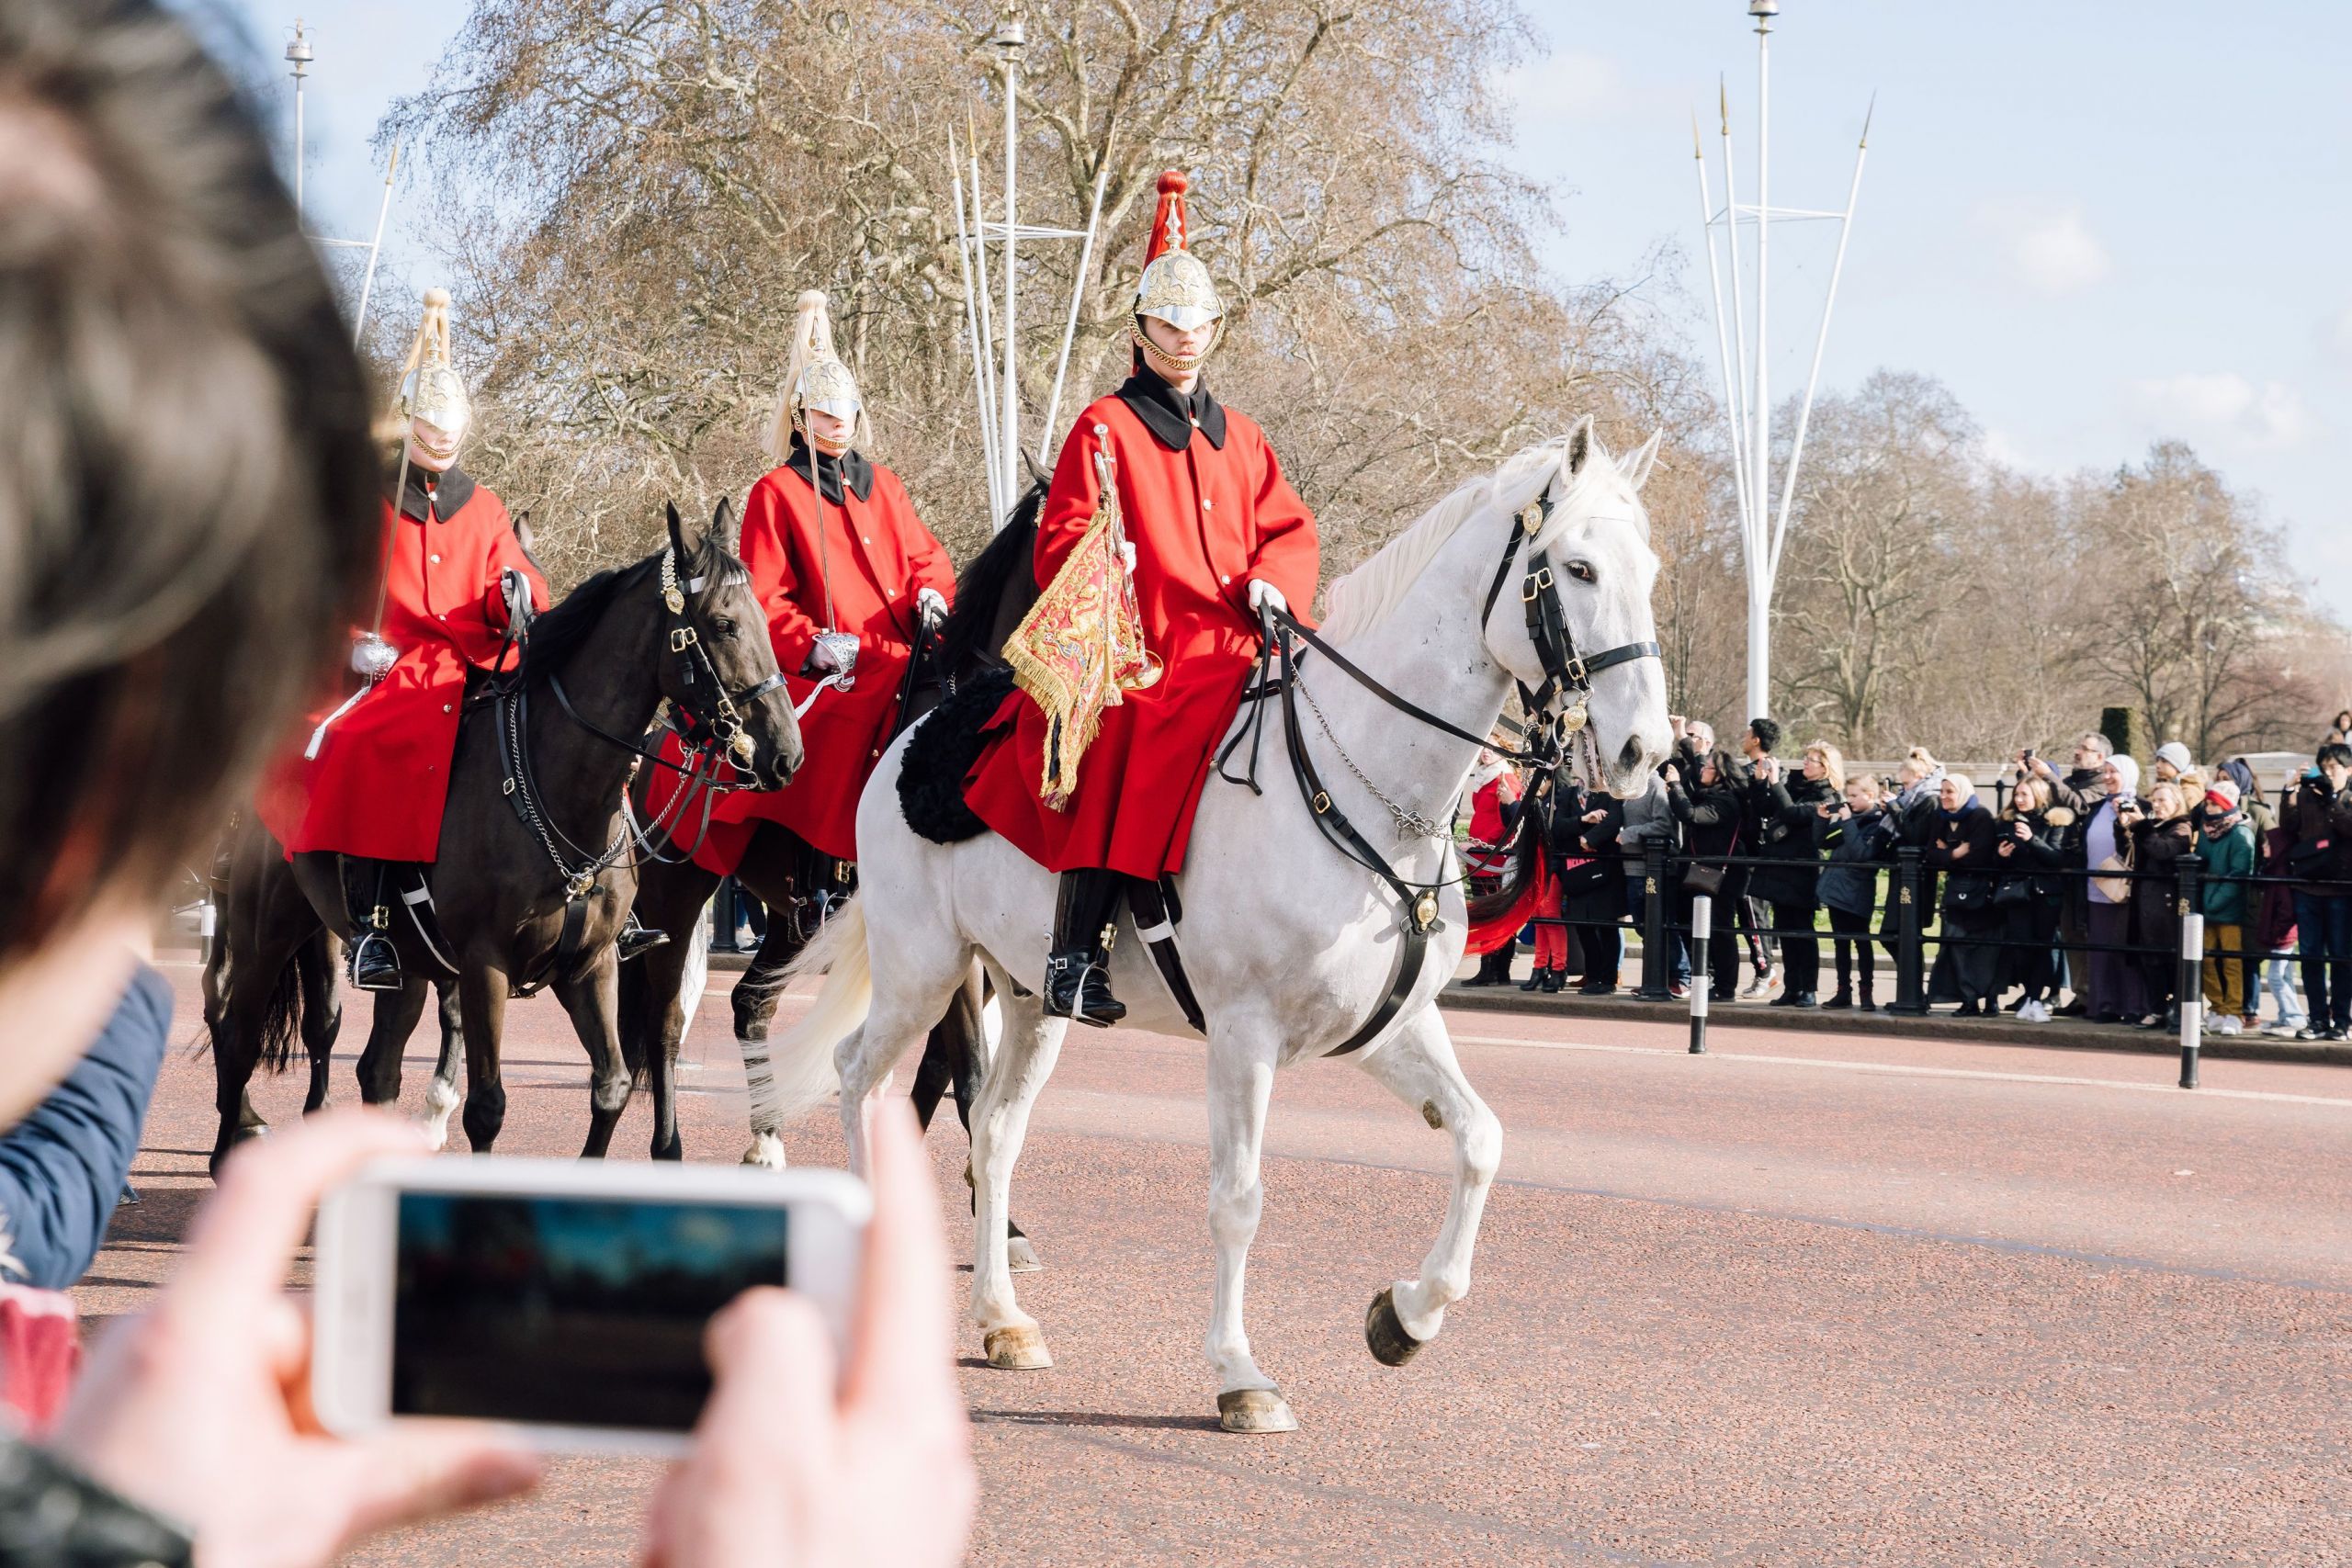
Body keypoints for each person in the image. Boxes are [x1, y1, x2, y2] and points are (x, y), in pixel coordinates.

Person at [0, 6, 977, 1561]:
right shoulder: (405, 506)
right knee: (392, 745)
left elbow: (518, 576)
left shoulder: (534, 498)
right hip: (401, 684)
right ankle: (386, 913)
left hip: (570, 670)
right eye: (437, 439)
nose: (449, 458)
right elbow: (379, 597)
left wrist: (536, 610)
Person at [962, 171, 1317, 1026]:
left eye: (1197, 325)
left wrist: (1276, 576)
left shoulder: (1246, 435)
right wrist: (1101, 559)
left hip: (1239, 644)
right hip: (1147, 648)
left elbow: (1290, 527)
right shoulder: (1104, 426)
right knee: (1122, 728)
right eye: (1168, 323)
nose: (1185, 339)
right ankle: (1072, 955)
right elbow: (1060, 541)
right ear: (1141, 331)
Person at [254, 288, 551, 991]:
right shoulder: (370, 498)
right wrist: (353, 639)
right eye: (431, 428)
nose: (442, 444)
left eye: (451, 432)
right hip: (391, 670)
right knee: (369, 743)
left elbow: (513, 571)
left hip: (474, 660)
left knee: (563, 729)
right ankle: (372, 923)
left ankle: (594, 893)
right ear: (411, 424)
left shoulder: (482, 504)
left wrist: (518, 596)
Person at [665, 290, 954, 879]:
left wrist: (932, 593)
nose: (839, 424)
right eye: (825, 415)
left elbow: (927, 557)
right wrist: (813, 644)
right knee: (836, 727)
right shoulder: (778, 492)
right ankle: (827, 871)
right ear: (801, 419)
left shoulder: (886, 484)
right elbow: (764, 598)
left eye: (845, 412)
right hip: (837, 662)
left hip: (910, 648)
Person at [2028, 732, 2115, 1014]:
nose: (2078, 752)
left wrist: (2048, 777)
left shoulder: (2102, 785)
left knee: (2089, 934)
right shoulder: (2069, 782)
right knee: (2071, 934)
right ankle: (2081, 995)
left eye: (2085, 749)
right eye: (2078, 747)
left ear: (2100, 757)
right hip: (2067, 869)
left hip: (2091, 873)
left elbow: (2078, 804)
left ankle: (2097, 996)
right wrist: (2030, 775)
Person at [1747, 739, 1837, 1008]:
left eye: (1812, 760)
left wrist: (1775, 784)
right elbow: (1765, 808)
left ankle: (1808, 988)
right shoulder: (1795, 787)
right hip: (1779, 867)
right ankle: (1792, 987)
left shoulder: (1829, 796)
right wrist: (1761, 782)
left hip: (1802, 869)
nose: (1805, 763)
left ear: (1826, 768)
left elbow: (1792, 813)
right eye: (1805, 758)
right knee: (1784, 930)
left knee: (1803, 931)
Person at [2279, 742, 2352, 1041]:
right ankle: (2317, 1019)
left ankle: (2342, 1022)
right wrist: (2289, 793)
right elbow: (2288, 827)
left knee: (2341, 956)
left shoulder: (2346, 798)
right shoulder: (2308, 794)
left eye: (2334, 767)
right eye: (2323, 766)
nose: (2327, 771)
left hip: (2341, 889)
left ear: (2348, 770)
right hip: (2307, 885)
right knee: (2309, 956)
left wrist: (2333, 801)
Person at [1664, 750, 1747, 1001]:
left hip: (1722, 875)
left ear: (1721, 774)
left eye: (1708, 768)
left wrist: (1676, 786)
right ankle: (1705, 978)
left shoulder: (1726, 801)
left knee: (1721, 930)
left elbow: (1691, 815)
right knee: (1695, 927)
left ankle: (1725, 986)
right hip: (1702, 871)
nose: (1703, 771)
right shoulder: (1708, 795)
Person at [1991, 774, 2071, 1023]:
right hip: (2017, 892)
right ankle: (2029, 996)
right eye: (2016, 794)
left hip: (2045, 893)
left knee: (2041, 947)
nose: (2019, 799)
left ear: (2038, 794)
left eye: (2024, 794)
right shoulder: (2006, 822)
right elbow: (1996, 864)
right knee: (2021, 948)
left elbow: (2056, 859)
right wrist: (2001, 855)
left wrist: (2031, 840)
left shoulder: (2055, 821)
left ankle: (2035, 999)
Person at [1814, 773, 1893, 1010]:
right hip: (1837, 891)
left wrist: (1847, 822)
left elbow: (1862, 855)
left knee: (1862, 941)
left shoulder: (1878, 822)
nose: (1850, 800)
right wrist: (1822, 820)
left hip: (1858, 891)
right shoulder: (1851, 819)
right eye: (1848, 795)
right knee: (1840, 942)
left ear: (1870, 795)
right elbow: (1822, 842)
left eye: (1855, 795)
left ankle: (1866, 993)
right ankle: (1843, 991)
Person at [2122, 780, 2196, 1030]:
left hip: (2166, 902)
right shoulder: (2153, 826)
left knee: (2169, 957)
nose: (2157, 805)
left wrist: (2141, 826)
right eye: (2154, 800)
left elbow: (2164, 851)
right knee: (2149, 957)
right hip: (2145, 900)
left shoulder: (2182, 827)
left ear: (2176, 802)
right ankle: (2157, 1008)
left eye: (2163, 800)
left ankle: (2176, 1008)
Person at [1925, 775, 2001, 1015]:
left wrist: (1946, 852)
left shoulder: (1981, 816)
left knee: (1985, 949)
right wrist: (1955, 854)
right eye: (1942, 791)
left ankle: (1990, 999)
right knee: (1956, 946)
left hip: (1980, 894)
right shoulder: (1940, 816)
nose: (1944, 796)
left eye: (1950, 791)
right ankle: (1969, 999)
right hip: (1956, 891)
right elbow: (1930, 854)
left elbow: (1979, 856)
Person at [2079, 754, 2145, 1023]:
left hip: (2126, 891)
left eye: (2113, 772)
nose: (2107, 777)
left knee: (2126, 950)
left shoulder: (2141, 806)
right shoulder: (2096, 808)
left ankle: (2132, 1005)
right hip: (2096, 889)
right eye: (2104, 771)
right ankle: (2103, 1004)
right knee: (2101, 950)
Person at [1614, 770, 1690, 998]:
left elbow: (1664, 825)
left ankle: (1681, 977)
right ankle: (1655, 976)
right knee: (1645, 927)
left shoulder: (1654, 785)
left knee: (1660, 924)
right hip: (1632, 867)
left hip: (1651, 869)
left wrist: (1629, 834)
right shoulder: (1630, 784)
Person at [1459, 742, 1523, 987]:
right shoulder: (1485, 778)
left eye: (1493, 749)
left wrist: (1480, 843)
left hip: (1492, 857)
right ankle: (1494, 970)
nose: (1486, 752)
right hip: (1480, 856)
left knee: (1493, 914)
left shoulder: (1505, 778)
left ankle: (1493, 970)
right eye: (1484, 747)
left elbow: (1506, 822)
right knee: (1488, 913)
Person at [2196, 780, 2256, 1036]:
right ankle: (2217, 1007)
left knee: (2232, 961)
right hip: (2207, 905)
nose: (2208, 808)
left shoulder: (2241, 834)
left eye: (2214, 803)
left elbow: (2239, 874)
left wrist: (2211, 902)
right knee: (2206, 960)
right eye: (2207, 803)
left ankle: (2233, 1011)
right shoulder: (2207, 830)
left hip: (2229, 909)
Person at [1734, 718, 1785, 999]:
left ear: (1756, 740)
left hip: (1756, 855)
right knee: (1747, 916)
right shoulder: (1746, 771)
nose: (1743, 737)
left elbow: (1764, 809)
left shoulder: (1770, 770)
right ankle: (1763, 969)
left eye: (1747, 734)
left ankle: (1766, 970)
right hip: (1744, 853)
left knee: (1754, 915)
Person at [1562, 785, 1625, 995]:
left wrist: (1589, 839)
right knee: (1583, 927)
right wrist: (1583, 821)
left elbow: (1613, 822)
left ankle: (1608, 979)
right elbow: (1557, 826)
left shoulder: (1611, 793)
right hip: (1576, 868)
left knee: (1607, 926)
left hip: (1604, 868)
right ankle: (1593, 976)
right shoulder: (1569, 793)